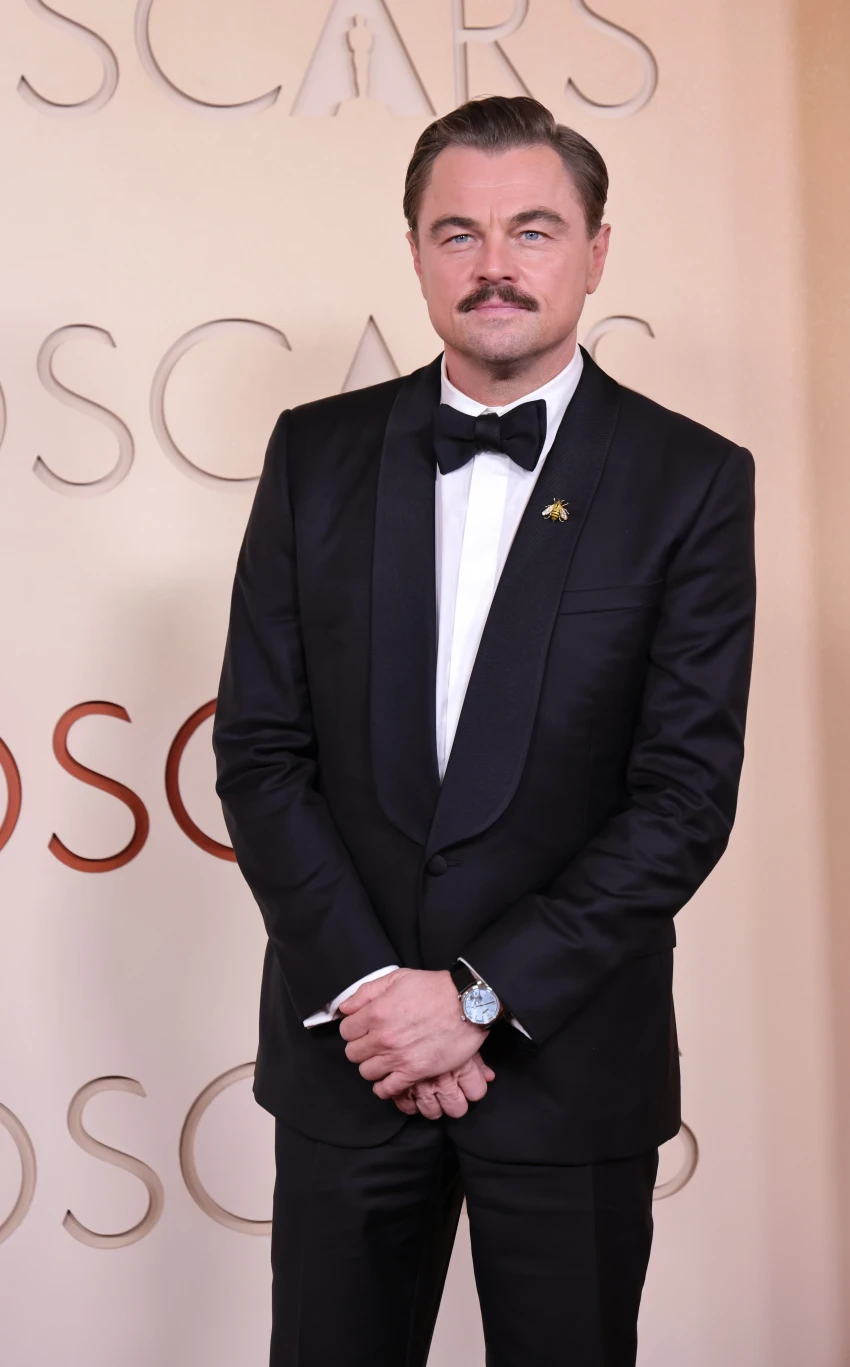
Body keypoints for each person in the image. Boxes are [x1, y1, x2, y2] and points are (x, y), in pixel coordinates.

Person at [212, 94, 756, 1367]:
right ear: (414, 251)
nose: (494, 264)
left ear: (595, 252)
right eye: (457, 232)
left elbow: (683, 794)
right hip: (352, 1058)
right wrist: (371, 992)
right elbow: (261, 749)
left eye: (532, 230)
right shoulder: (313, 454)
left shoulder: (690, 478)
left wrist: (478, 996)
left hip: (569, 1066)